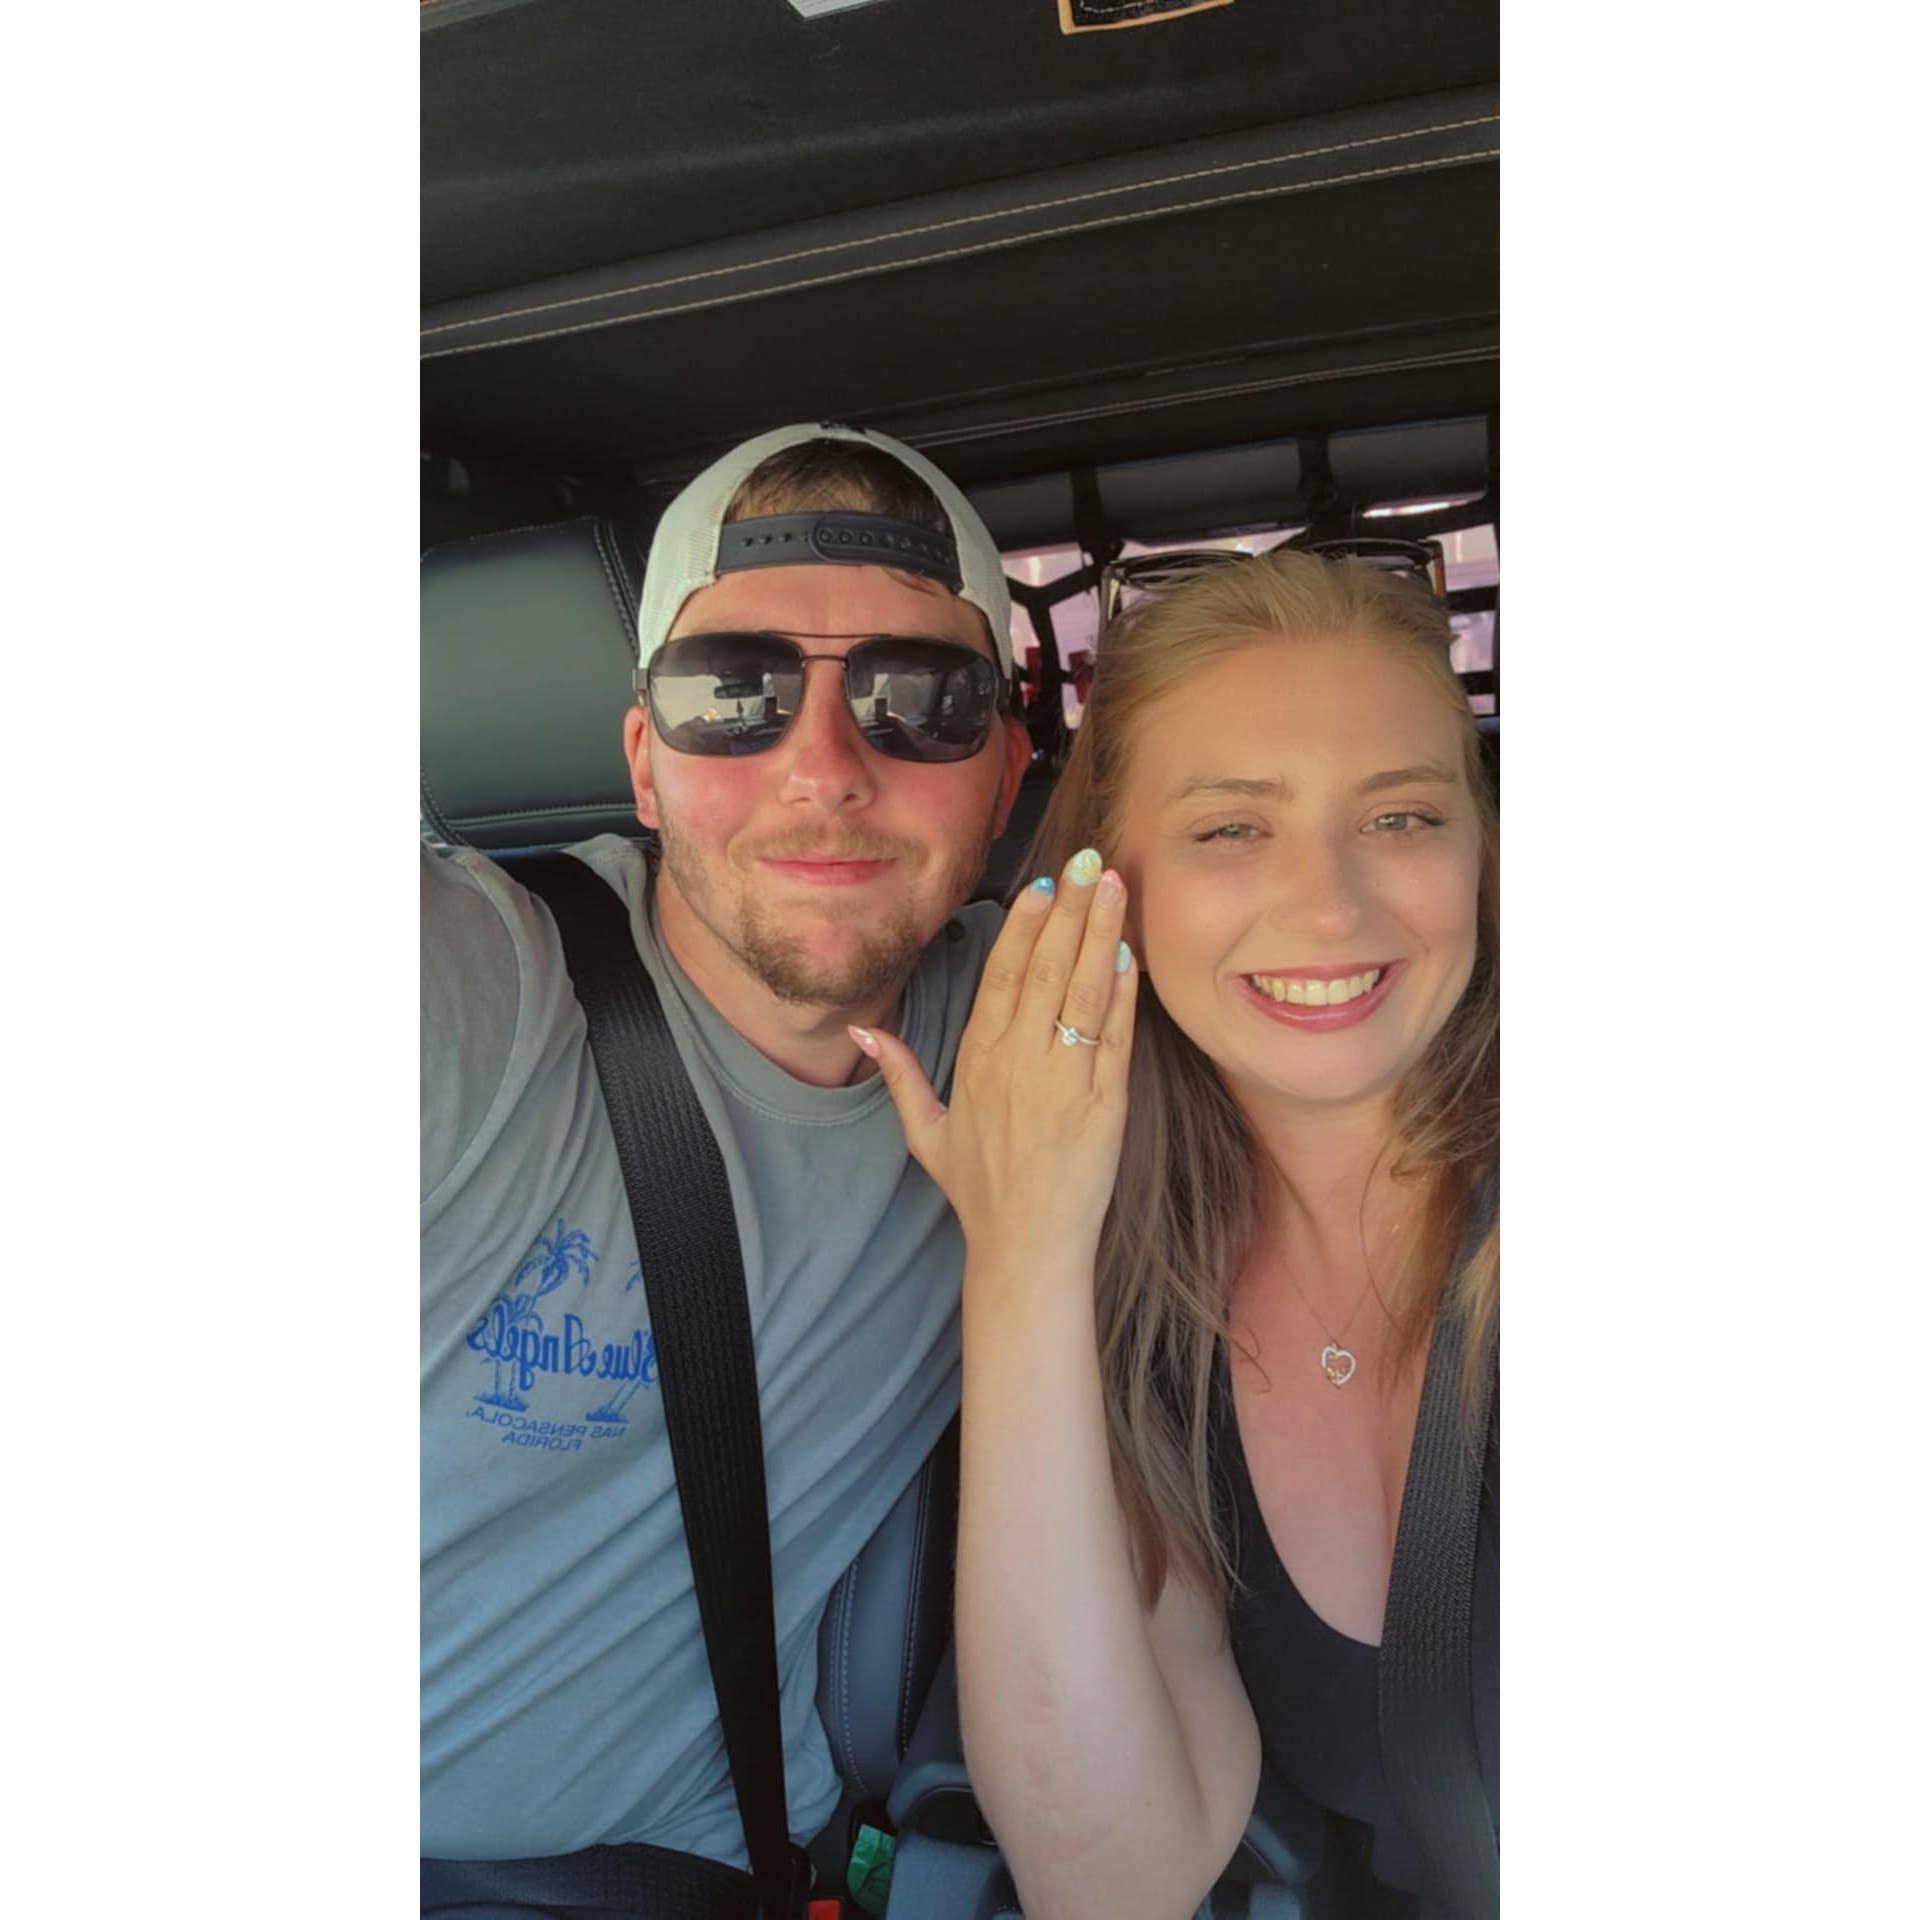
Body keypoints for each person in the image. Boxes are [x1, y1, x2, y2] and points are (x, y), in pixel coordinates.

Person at [421, 424, 1032, 1876]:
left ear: (1008, 774)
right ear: (645, 759)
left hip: (690, 1872)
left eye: (921, 699)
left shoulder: (1042, 1035)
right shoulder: (470, 987)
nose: (823, 768)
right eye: (734, 692)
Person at [857, 550, 1498, 1917]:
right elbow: (1117, 1874)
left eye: (1402, 818)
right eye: (1231, 828)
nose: (1333, 906)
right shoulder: (1151, 1309)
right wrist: (1023, 1253)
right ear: (1110, 887)